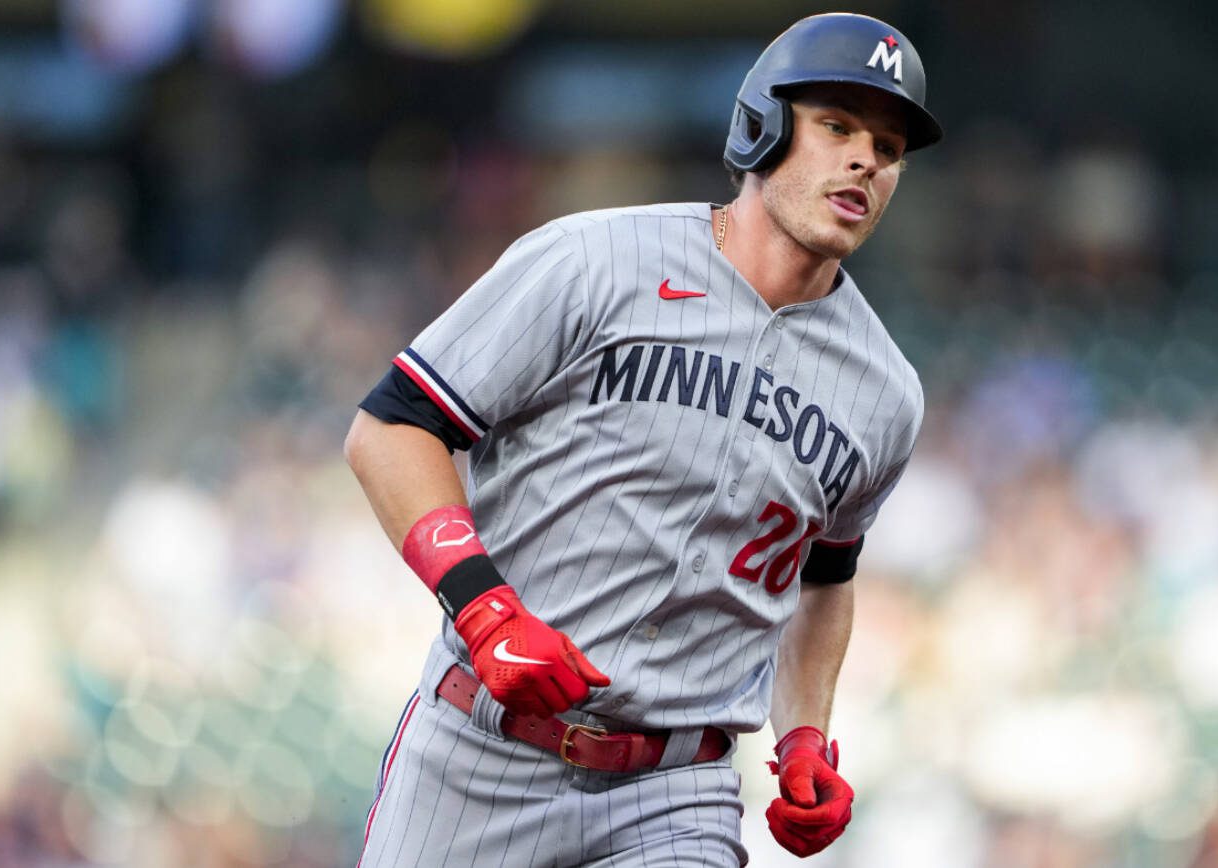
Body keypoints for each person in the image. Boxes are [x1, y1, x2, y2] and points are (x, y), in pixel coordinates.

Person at [346, 11, 943, 866]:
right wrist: (483, 608)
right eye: (838, 127)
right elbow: (391, 428)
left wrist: (806, 735)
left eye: (888, 148)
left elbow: (825, 578)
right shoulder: (594, 261)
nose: (865, 160)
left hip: (674, 787)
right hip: (478, 754)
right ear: (761, 128)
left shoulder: (886, 392)